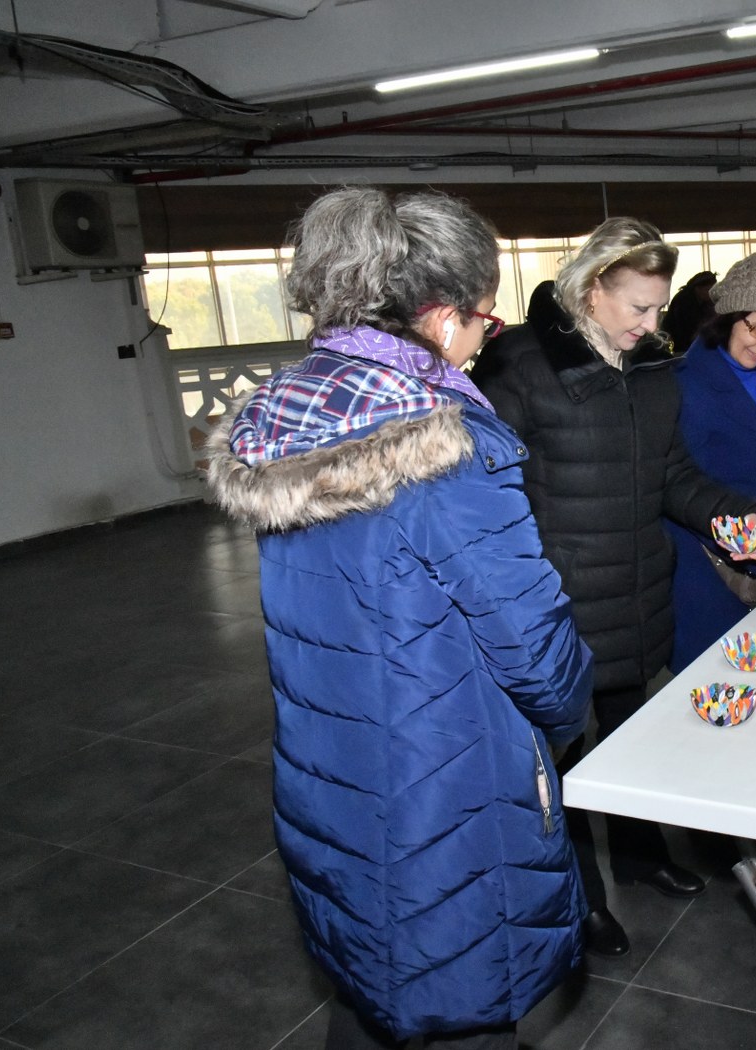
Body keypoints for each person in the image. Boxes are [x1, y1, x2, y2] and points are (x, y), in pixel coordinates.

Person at [206, 188, 593, 1050]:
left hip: (332, 763)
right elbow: (530, 640)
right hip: (447, 774)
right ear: (440, 314)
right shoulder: (443, 442)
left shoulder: (294, 417)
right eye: (483, 324)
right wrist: (571, 720)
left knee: (372, 980)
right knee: (461, 988)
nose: (481, 345)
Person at [473, 217, 756, 959]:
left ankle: (642, 860)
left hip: (636, 591)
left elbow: (673, 475)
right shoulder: (517, 365)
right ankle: (579, 900)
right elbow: (485, 499)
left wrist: (738, 521)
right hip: (556, 608)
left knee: (631, 736)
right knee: (564, 766)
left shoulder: (648, 371)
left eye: (658, 307)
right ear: (588, 289)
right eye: (637, 309)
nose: (652, 325)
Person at [667, 253, 756, 670]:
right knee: (715, 679)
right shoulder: (686, 382)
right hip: (707, 563)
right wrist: (753, 546)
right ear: (728, 315)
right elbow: (682, 485)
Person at [662, 269, 717, 352]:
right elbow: (686, 329)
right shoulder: (684, 300)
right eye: (709, 289)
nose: (712, 293)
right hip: (680, 344)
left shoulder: (704, 302)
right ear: (698, 288)